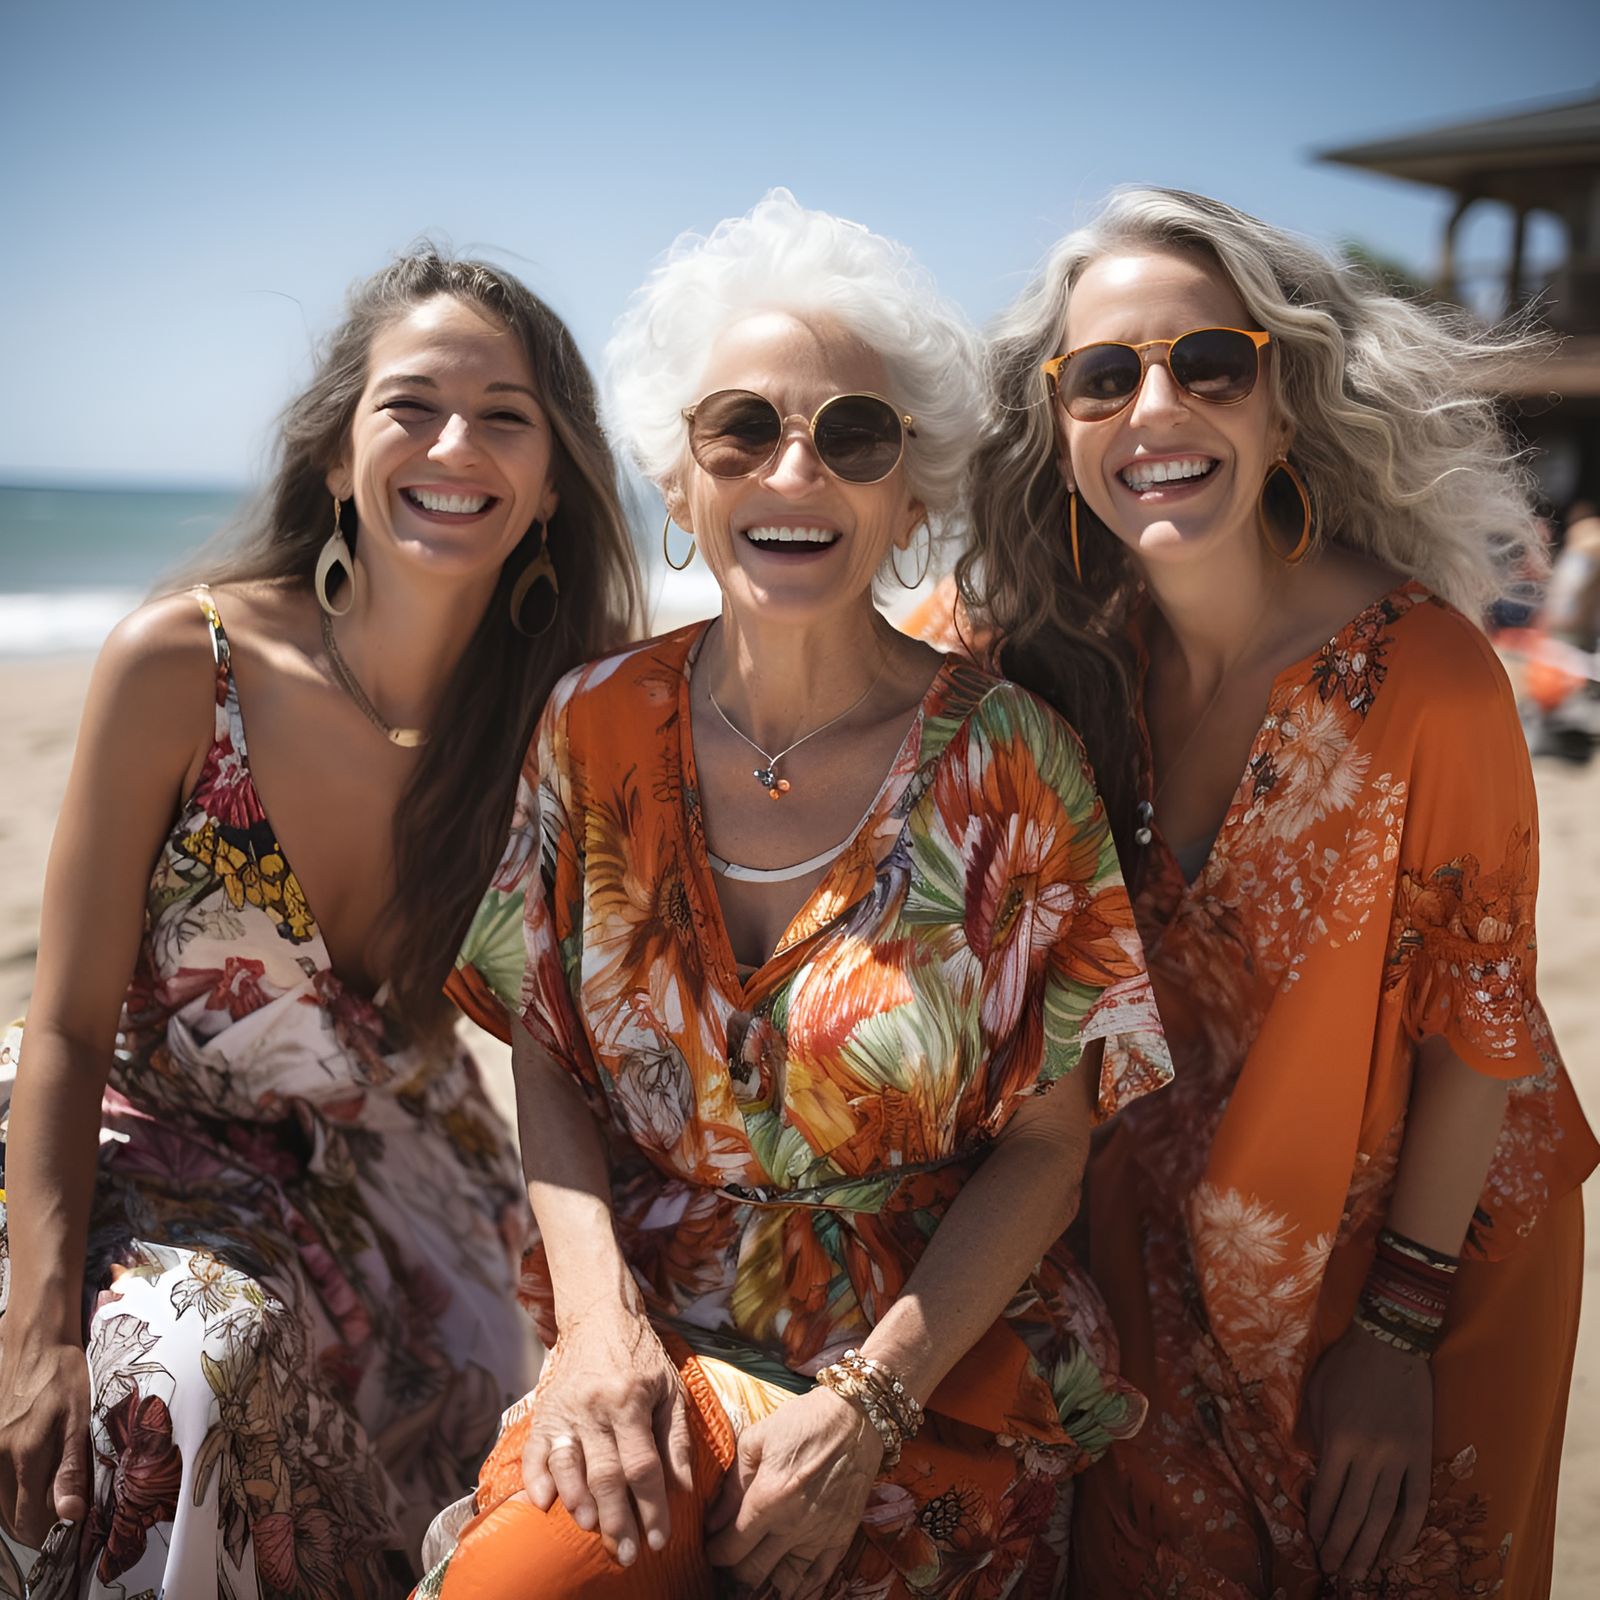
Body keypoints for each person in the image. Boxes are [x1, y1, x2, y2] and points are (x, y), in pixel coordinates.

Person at [421, 191, 1172, 1600]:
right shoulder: (588, 730)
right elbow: (542, 1042)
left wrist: (866, 1410)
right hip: (647, 1342)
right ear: (683, 482)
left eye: (854, 436)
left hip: (929, 1376)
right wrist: (593, 1336)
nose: (795, 470)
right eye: (743, 430)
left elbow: (1050, 1150)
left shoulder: (1013, 764)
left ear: (910, 495)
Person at [952, 187, 1598, 1597]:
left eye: (1211, 364)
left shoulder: (1427, 678)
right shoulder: (1063, 658)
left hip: (1419, 1267)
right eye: (1106, 376)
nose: (1156, 406)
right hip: (1161, 1257)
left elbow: (1479, 1030)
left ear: (1284, 401)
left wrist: (1396, 1340)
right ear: (1058, 429)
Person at [0, 250, 642, 1597]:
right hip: (137, 1135)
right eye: (412, 403)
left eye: (506, 415)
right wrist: (41, 1329)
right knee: (187, 1369)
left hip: (391, 1156)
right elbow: (61, 1024)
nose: (455, 443)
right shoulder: (189, 666)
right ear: (342, 459)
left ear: (545, 487)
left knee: (519, 1429)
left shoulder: (555, 721)